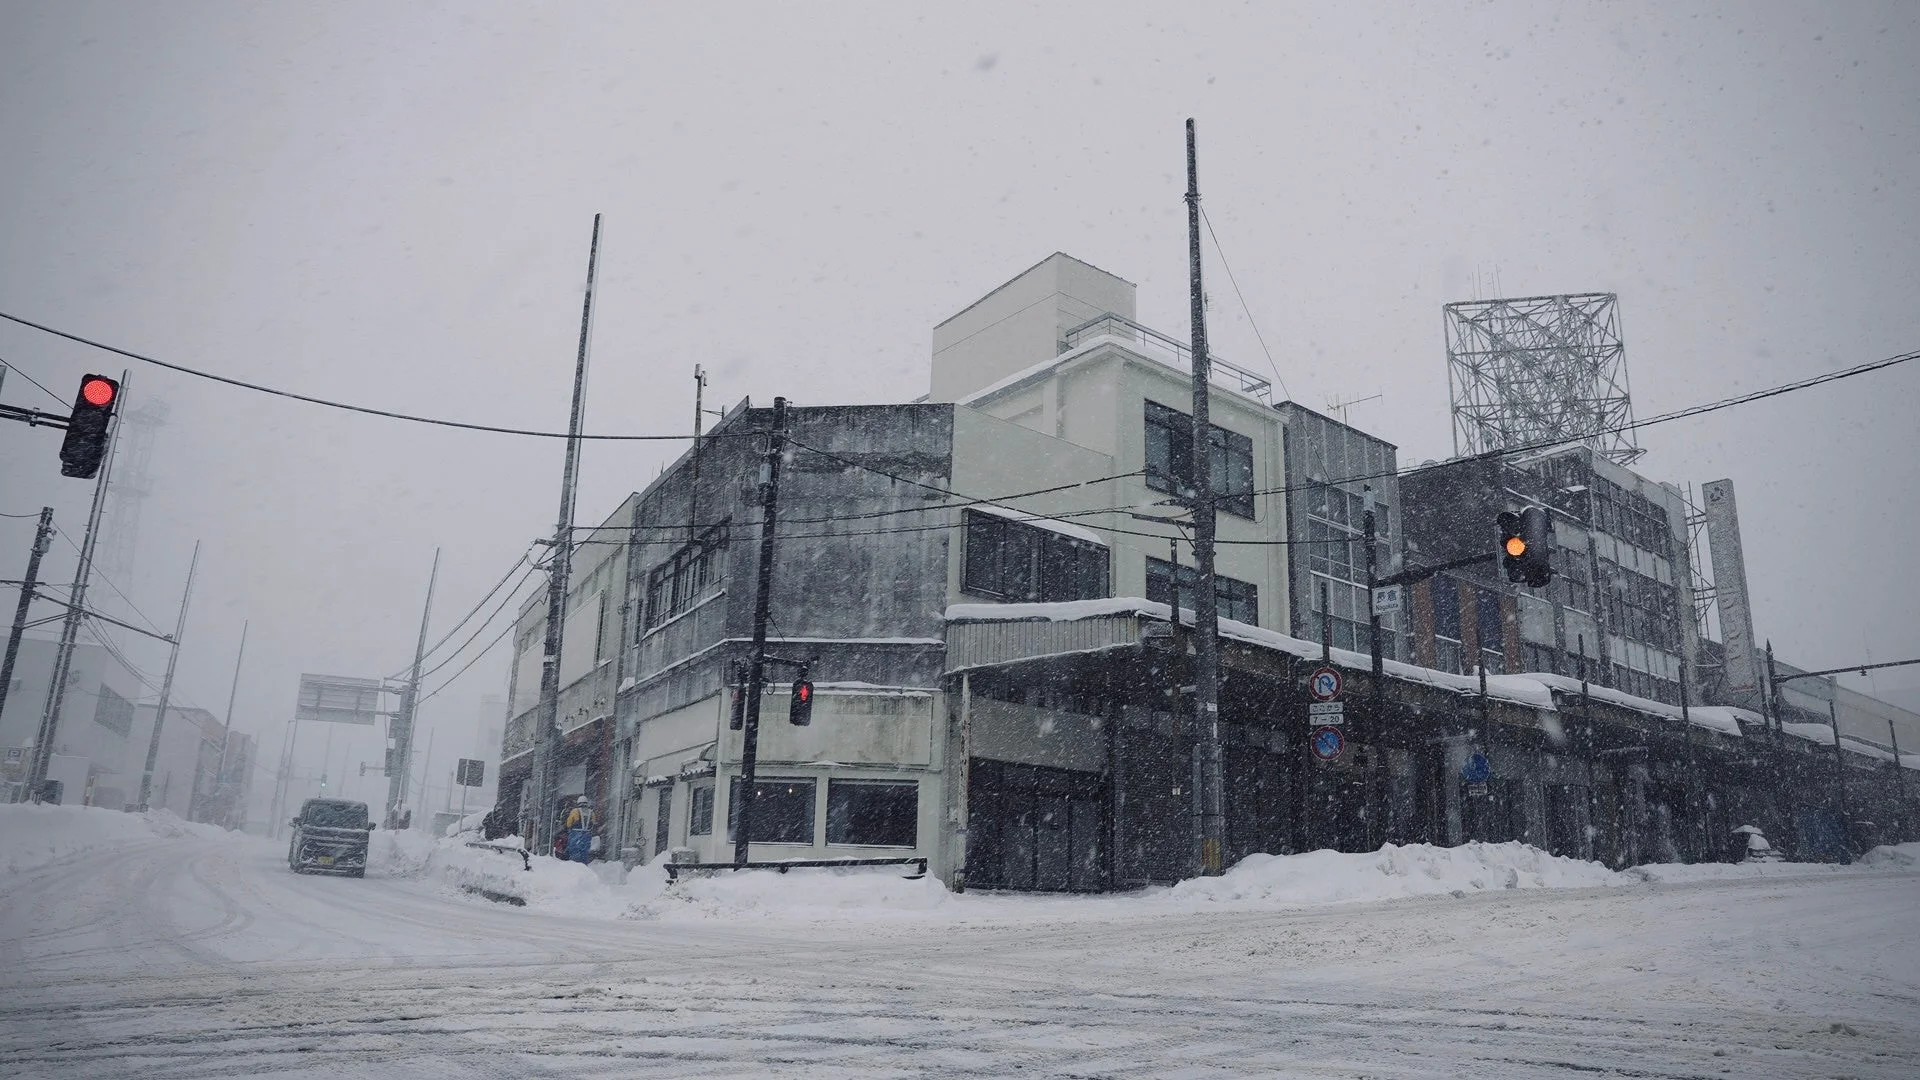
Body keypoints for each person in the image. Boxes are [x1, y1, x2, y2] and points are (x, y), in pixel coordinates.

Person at [564, 796, 596, 864]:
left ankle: (574, 865)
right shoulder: (591, 812)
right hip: (587, 835)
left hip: (575, 834)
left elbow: (569, 823)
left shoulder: (575, 811)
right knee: (584, 852)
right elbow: (593, 823)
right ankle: (583, 866)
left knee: (574, 850)